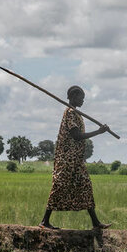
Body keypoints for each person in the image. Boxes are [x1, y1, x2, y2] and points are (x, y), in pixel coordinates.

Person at [40, 85, 110, 230]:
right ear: (73, 97)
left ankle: (96, 223)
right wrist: (98, 131)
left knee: (85, 186)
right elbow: (76, 136)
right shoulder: (70, 113)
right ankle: (44, 221)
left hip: (76, 160)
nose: (83, 101)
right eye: (81, 98)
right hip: (67, 160)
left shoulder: (75, 113)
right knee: (59, 186)